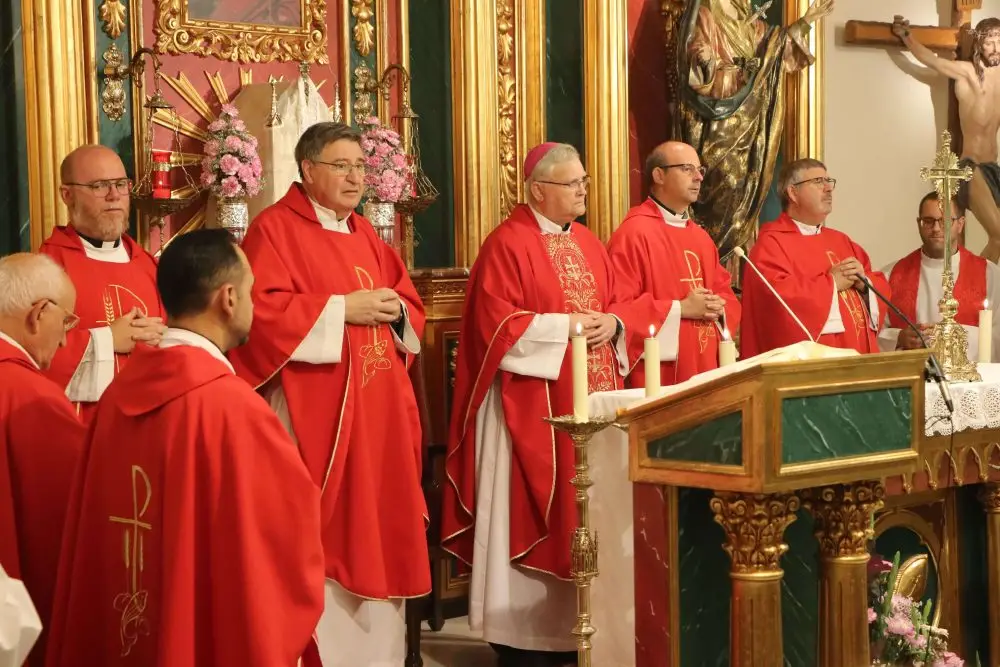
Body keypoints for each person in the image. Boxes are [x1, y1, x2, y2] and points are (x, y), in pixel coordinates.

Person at [45, 230, 325, 667]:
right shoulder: (233, 409)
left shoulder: (117, 396)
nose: (253, 304)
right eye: (250, 291)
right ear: (228, 298)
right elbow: (284, 540)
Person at [442, 142, 661, 667]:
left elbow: (617, 304)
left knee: (593, 509)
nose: (583, 190)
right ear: (538, 190)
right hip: (531, 406)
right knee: (529, 507)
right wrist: (564, 327)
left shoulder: (589, 241)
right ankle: (522, 635)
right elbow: (494, 324)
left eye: (584, 181)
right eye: (572, 183)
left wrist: (614, 322)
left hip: (596, 401)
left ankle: (586, 627)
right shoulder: (507, 243)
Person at [228, 122, 429, 667]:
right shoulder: (274, 230)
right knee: (319, 532)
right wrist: (342, 309)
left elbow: (409, 304)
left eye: (360, 167)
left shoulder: (364, 232)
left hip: (380, 415)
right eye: (342, 166)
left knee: (381, 524)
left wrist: (396, 311)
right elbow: (259, 315)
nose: (355, 177)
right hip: (315, 416)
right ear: (308, 169)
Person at [672, 0, 833, 259]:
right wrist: (705, 58)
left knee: (746, 188)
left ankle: (737, 267)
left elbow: (778, 52)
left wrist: (806, 22)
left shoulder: (753, 25)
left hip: (751, 118)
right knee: (723, 181)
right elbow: (692, 54)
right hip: (718, 115)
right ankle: (712, 258)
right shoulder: (705, 15)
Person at [39, 144, 165, 422]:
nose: (114, 196)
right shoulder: (46, 268)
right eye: (99, 186)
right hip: (81, 428)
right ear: (67, 195)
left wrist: (163, 337)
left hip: (149, 425)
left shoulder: (149, 266)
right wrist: (108, 340)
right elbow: (35, 355)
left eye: (121, 184)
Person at [0, 254, 84, 667]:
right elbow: (65, 527)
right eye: (67, 322)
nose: (66, 341)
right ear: (39, 313)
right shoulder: (33, 398)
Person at [608, 140, 741, 386]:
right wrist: (681, 308)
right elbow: (619, 308)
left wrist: (718, 306)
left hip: (705, 363)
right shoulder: (634, 233)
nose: (698, 177)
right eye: (687, 169)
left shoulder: (700, 237)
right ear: (659, 175)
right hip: (660, 373)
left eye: (700, 170)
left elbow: (726, 294)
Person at [740, 158, 888, 356]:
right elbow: (776, 304)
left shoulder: (842, 241)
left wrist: (864, 284)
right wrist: (831, 284)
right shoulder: (772, 244)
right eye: (818, 181)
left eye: (829, 181)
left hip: (857, 357)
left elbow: (880, 287)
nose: (828, 189)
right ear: (793, 193)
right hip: (812, 366)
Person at [892, 15, 1000, 261]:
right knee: (998, 235)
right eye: (990, 42)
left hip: (993, 168)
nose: (996, 48)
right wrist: (907, 36)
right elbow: (930, 60)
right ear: (979, 44)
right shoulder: (966, 73)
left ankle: (981, 281)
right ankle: (977, 283)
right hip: (971, 168)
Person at [878, 192, 1000, 361]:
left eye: (944, 221)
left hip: (970, 374)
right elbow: (871, 334)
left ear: (960, 224)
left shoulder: (990, 274)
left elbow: (996, 335)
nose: (936, 228)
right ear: (919, 224)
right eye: (928, 221)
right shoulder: (890, 275)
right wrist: (898, 338)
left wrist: (953, 335)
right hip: (913, 374)